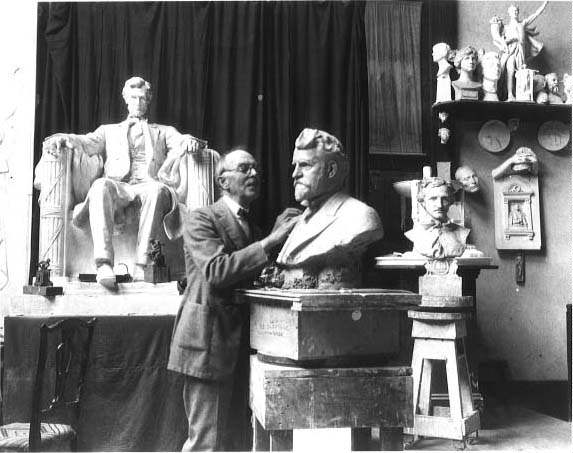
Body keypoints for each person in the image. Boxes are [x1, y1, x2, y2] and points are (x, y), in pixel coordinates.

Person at [167, 149, 300, 451]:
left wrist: (275, 238)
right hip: (207, 344)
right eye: (244, 169)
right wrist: (272, 240)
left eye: (255, 169)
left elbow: (251, 269)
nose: (254, 174)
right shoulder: (201, 218)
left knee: (233, 441)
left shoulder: (250, 227)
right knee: (206, 442)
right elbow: (217, 270)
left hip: (235, 346)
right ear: (223, 181)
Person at [39, 77, 204, 287]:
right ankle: (104, 263)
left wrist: (191, 141)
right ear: (126, 100)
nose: (138, 103)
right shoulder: (108, 130)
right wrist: (64, 137)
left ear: (149, 100)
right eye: (134, 98)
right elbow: (86, 141)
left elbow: (182, 140)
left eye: (143, 99)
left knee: (158, 191)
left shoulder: (163, 131)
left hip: (148, 184)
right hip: (119, 186)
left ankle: (143, 265)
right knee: (99, 186)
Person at [276, 128, 383, 289]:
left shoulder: (360, 216)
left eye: (305, 165)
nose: (295, 174)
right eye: (295, 166)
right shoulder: (298, 220)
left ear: (331, 170)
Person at [491, 2, 549, 101]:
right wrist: (511, 39)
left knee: (520, 73)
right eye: (513, 11)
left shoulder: (522, 23)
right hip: (510, 51)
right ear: (509, 13)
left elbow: (535, 14)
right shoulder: (505, 27)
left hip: (520, 52)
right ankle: (509, 94)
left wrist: (544, 4)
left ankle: (520, 94)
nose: (515, 12)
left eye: (517, 11)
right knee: (509, 69)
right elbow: (498, 38)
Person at [405, 177, 470, 259]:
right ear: (423, 202)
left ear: (451, 201)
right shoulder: (415, 234)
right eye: (433, 199)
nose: (439, 205)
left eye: (445, 199)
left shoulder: (462, 233)